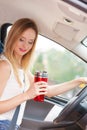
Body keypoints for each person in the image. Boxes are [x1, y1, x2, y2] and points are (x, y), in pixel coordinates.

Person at [0, 18, 87, 130]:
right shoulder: (4, 65)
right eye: (21, 39)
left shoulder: (22, 69)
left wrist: (78, 81)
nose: (25, 46)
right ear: (13, 37)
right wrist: (26, 95)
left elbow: (48, 92)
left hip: (12, 125)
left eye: (30, 42)